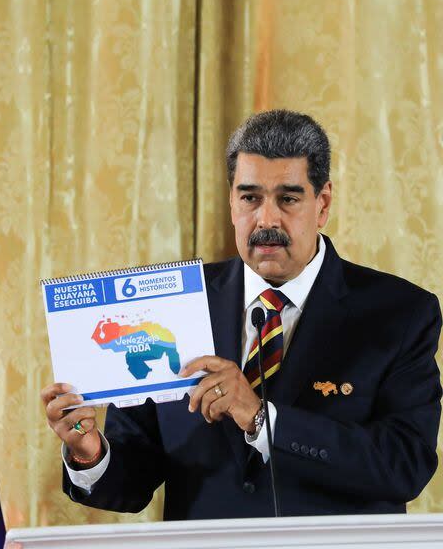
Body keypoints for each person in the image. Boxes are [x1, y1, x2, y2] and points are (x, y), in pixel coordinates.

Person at [41, 110, 442, 519]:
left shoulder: (400, 313)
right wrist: (90, 454)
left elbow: (403, 466)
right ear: (232, 202)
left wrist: (262, 419)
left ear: (322, 204)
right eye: (250, 198)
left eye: (288, 198)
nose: (267, 220)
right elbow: (134, 481)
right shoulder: (168, 307)